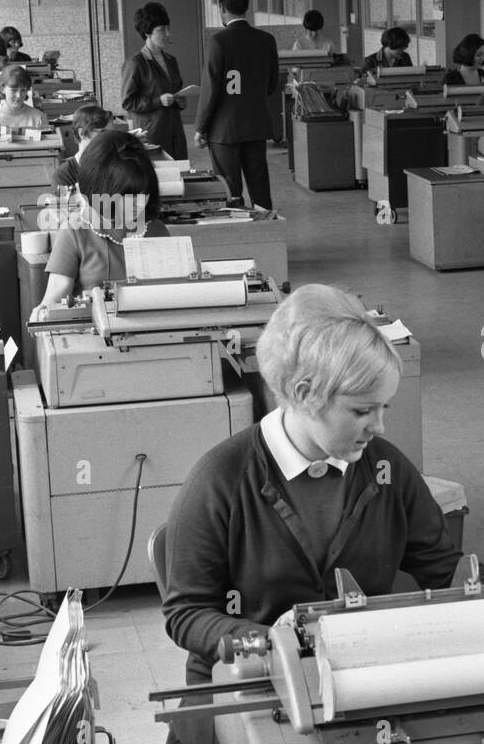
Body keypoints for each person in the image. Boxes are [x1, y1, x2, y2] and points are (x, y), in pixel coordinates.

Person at [161, 284, 460, 707]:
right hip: (247, 689)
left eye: (384, 408)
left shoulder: (386, 469)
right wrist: (276, 644)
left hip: (352, 681)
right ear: (304, 395)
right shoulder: (220, 480)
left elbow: (442, 569)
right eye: (361, 411)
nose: (379, 426)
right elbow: (186, 614)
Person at [33, 132, 168, 310]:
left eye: (143, 193)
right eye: (127, 196)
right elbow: (56, 295)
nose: (138, 204)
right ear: (101, 191)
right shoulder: (76, 230)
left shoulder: (157, 231)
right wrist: (44, 310)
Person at [194, 0, 280, 211]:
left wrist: (200, 127)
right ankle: (267, 236)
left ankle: (240, 238)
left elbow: (210, 89)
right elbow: (272, 84)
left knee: (230, 190)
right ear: (247, 7)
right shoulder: (266, 40)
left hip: (225, 130)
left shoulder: (218, 42)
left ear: (222, 8)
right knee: (259, 185)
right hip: (256, 125)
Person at [121, 1, 188, 160]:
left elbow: (175, 90)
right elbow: (128, 102)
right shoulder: (135, 63)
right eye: (161, 30)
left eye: (168, 29)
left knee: (180, 171)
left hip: (174, 129)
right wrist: (158, 100)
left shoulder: (171, 60)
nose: (167, 34)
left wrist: (180, 101)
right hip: (152, 132)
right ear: (147, 33)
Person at [54, 104, 113, 188]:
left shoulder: (118, 167)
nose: (111, 138)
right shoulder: (65, 175)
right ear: (81, 134)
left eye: (112, 133)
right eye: (103, 132)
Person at [0, 65, 48, 132]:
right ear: (3, 89)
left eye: (23, 90)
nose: (19, 95)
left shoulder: (39, 118)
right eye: (14, 90)